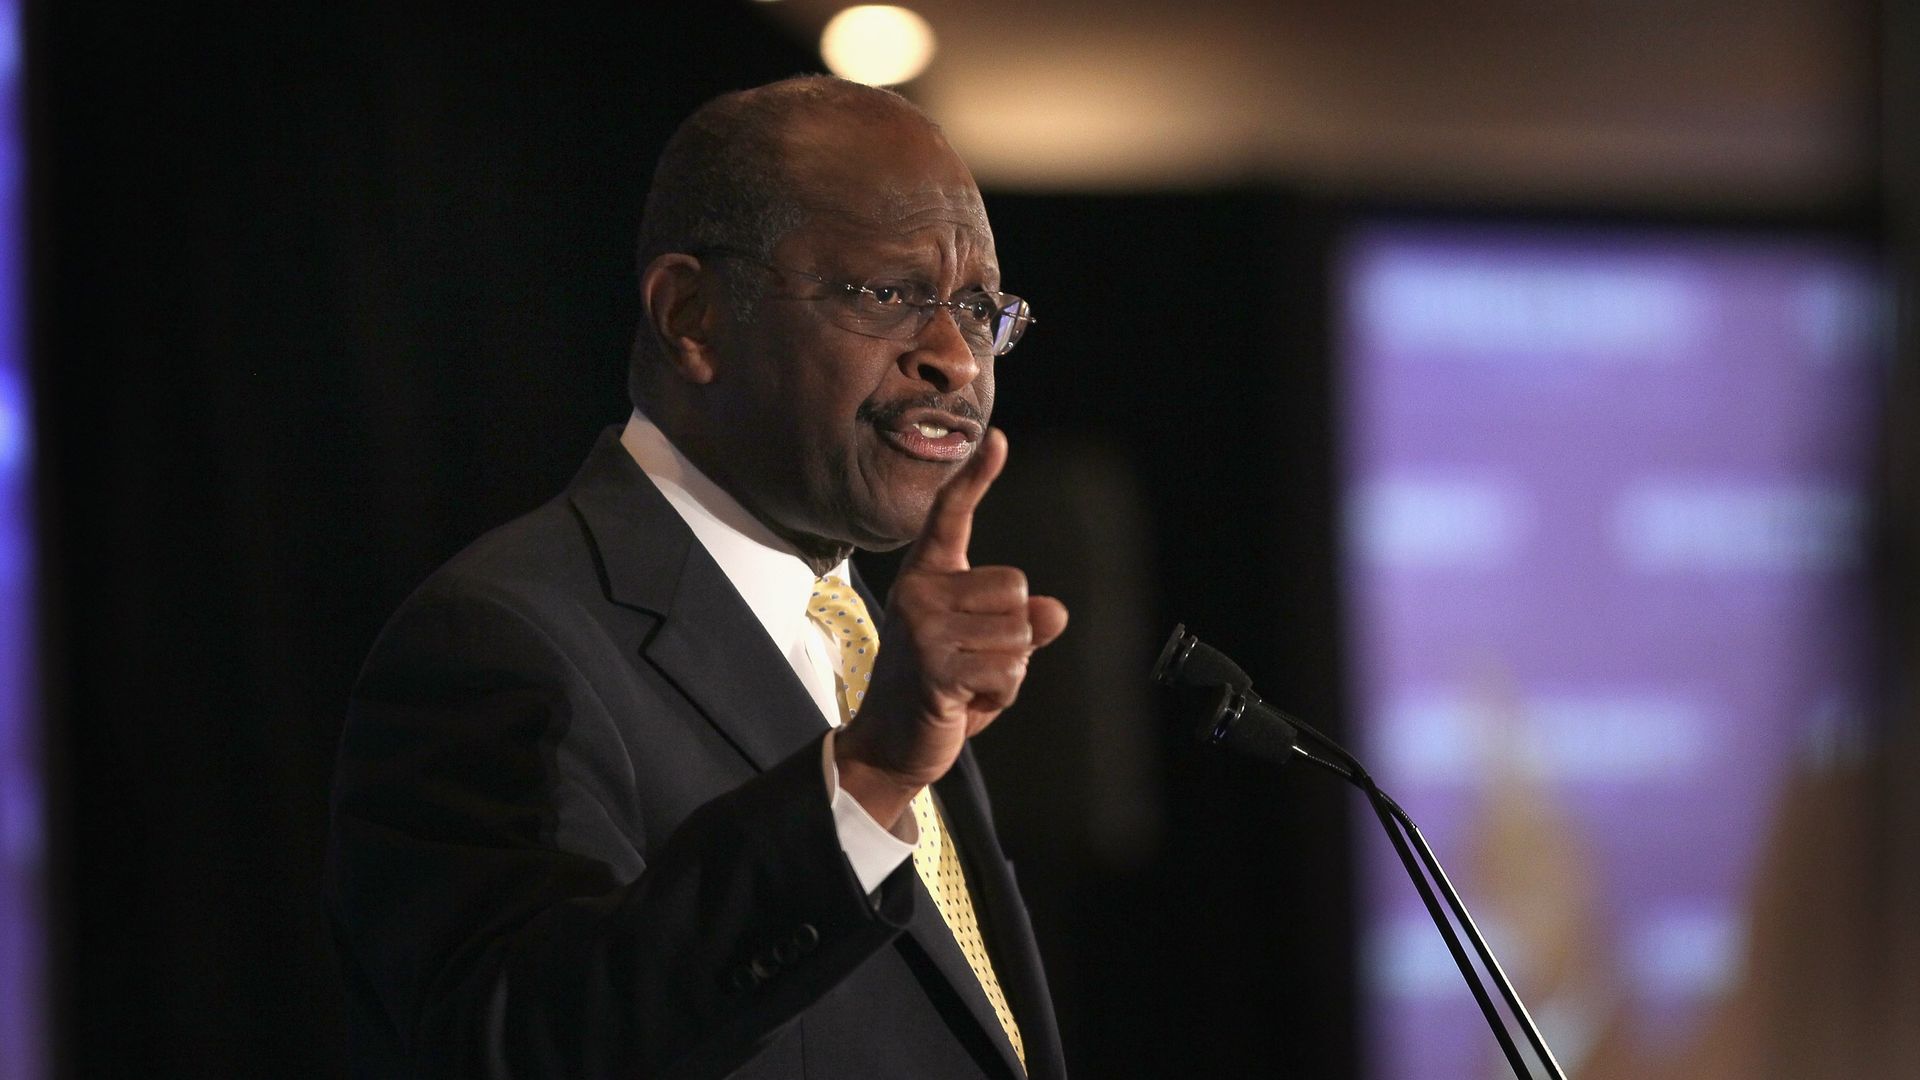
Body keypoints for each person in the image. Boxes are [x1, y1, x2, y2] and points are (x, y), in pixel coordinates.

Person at [326, 75, 1070, 1079]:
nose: (956, 358)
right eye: (889, 295)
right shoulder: (503, 640)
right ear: (693, 317)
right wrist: (869, 778)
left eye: (980, 309)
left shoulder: (869, 645)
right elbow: (519, 1046)